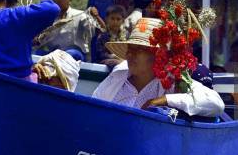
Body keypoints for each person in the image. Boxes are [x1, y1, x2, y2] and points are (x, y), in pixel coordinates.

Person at [92, 18, 224, 117]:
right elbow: (93, 110)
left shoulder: (173, 83)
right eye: (129, 49)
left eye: (139, 49)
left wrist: (165, 100)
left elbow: (216, 103)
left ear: (158, 55)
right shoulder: (117, 77)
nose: (130, 54)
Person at [35, 0, 104, 62]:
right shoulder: (48, 18)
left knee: (71, 53)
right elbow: (38, 41)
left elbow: (101, 29)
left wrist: (96, 16)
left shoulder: (79, 15)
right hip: (53, 53)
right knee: (35, 53)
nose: (60, 0)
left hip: (73, 52)